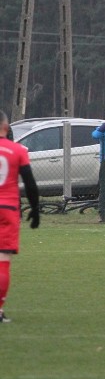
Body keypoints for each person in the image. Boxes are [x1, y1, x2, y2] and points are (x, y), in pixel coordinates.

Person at [0, 110, 40, 323]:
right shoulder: (17, 150)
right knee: (2, 261)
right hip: (7, 208)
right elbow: (30, 183)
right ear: (6, 127)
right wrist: (35, 209)